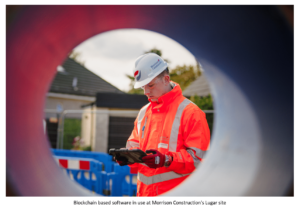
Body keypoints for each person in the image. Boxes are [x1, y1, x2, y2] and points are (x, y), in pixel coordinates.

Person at [115, 53, 210, 196]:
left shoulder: (191, 113)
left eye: (151, 85)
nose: (146, 92)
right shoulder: (143, 112)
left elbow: (199, 159)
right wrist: (128, 157)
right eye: (143, 87)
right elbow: (134, 145)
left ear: (166, 79)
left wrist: (167, 160)